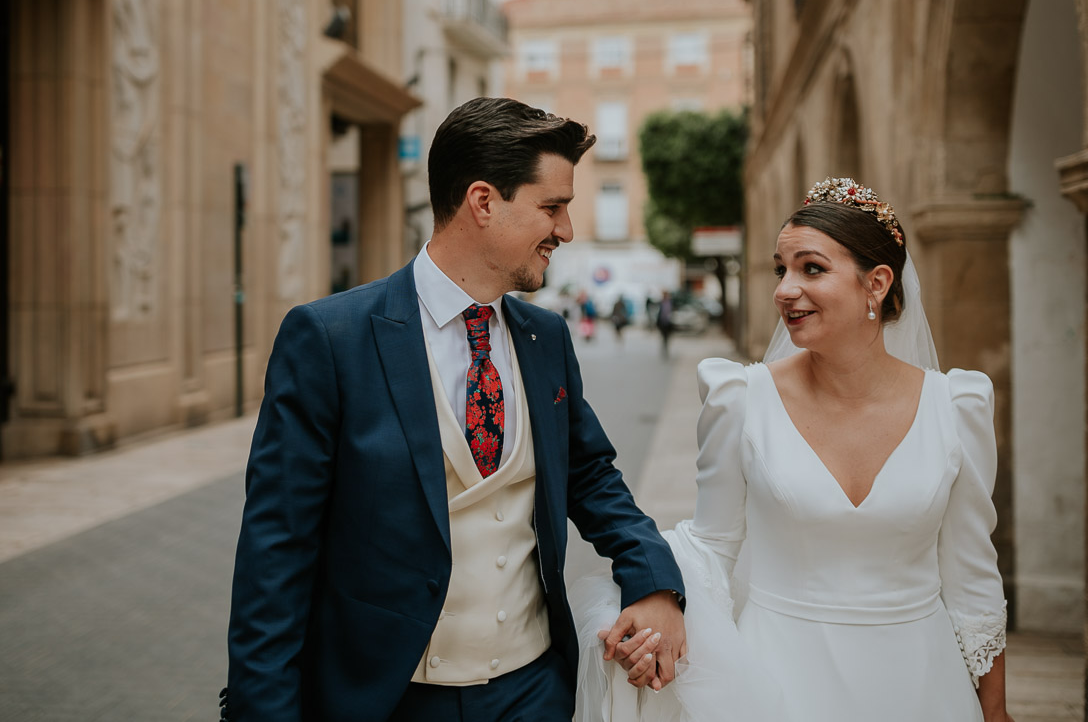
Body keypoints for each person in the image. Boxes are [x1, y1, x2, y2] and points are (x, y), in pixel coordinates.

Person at [222, 98, 686, 722]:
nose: (567, 230)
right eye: (552, 207)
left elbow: (590, 474)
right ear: (484, 202)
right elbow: (275, 552)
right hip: (388, 698)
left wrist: (653, 579)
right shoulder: (330, 339)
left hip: (534, 691)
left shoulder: (544, 337)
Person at [574, 177, 1012, 722]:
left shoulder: (956, 408)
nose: (784, 289)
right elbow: (713, 545)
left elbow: (972, 578)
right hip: (774, 681)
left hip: (920, 681)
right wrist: (657, 596)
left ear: (876, 283)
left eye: (811, 268)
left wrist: (994, 712)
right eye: (781, 269)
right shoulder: (741, 399)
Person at [655, 291, 674, 357]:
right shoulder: (661, 302)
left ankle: (666, 348)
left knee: (667, 337)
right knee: (663, 337)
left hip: (669, 323)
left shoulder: (671, 302)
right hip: (662, 323)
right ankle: (664, 348)